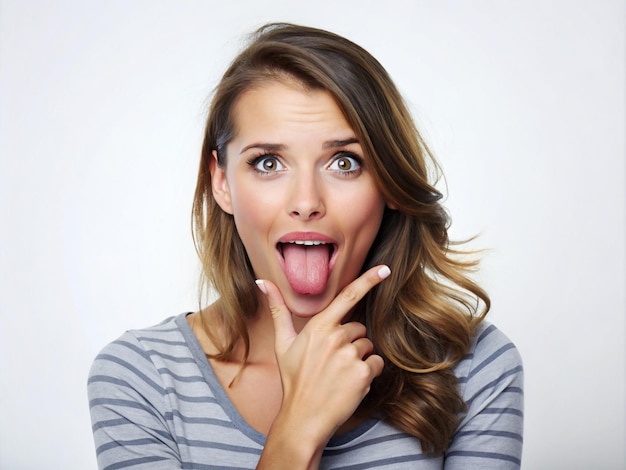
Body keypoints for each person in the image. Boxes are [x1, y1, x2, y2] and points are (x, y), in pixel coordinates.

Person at [88, 22, 523, 469]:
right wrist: (297, 430)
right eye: (269, 162)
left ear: (389, 183)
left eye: (344, 162)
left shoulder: (472, 366)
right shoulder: (139, 377)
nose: (306, 202)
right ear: (221, 183)